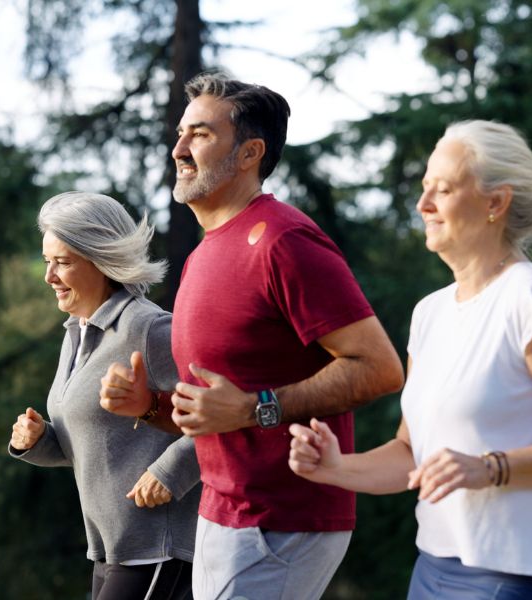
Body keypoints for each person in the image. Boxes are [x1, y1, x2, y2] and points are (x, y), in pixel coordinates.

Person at [100, 73, 405, 600]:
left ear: (249, 153)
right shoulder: (203, 255)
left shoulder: (285, 240)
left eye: (199, 134)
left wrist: (254, 408)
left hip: (281, 521)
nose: (178, 149)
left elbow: (379, 368)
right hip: (222, 515)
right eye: (180, 134)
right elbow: (217, 412)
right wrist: (149, 406)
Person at [288, 121, 532, 599]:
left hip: (517, 579)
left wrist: (491, 467)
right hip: (432, 570)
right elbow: (411, 454)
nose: (423, 205)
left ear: (495, 203)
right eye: (424, 188)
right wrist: (335, 467)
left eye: (444, 189)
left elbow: (473, 465)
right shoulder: (430, 312)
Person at [9, 191, 200, 600]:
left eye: (62, 262)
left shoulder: (148, 329)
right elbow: (87, 443)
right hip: (111, 547)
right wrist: (38, 440)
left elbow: (221, 415)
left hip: (159, 545)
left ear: (101, 259)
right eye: (47, 262)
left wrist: (170, 472)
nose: (49, 277)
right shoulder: (76, 335)